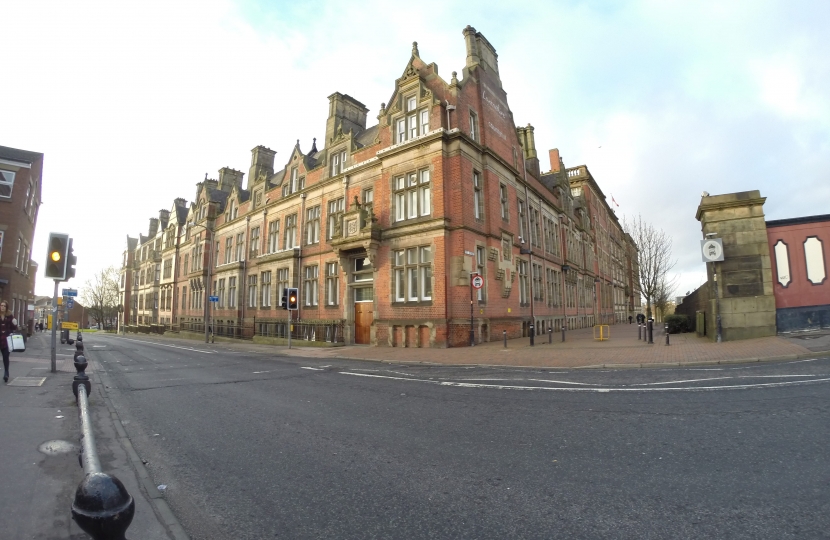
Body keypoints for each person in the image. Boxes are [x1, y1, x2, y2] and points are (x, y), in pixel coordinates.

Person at [0, 300, 19, 383]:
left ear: (6, 307)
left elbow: (14, 328)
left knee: (5, 357)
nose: (2, 307)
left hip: (6, 340)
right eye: (1, 305)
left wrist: (15, 323)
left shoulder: (9, 316)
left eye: (4, 306)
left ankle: (6, 373)